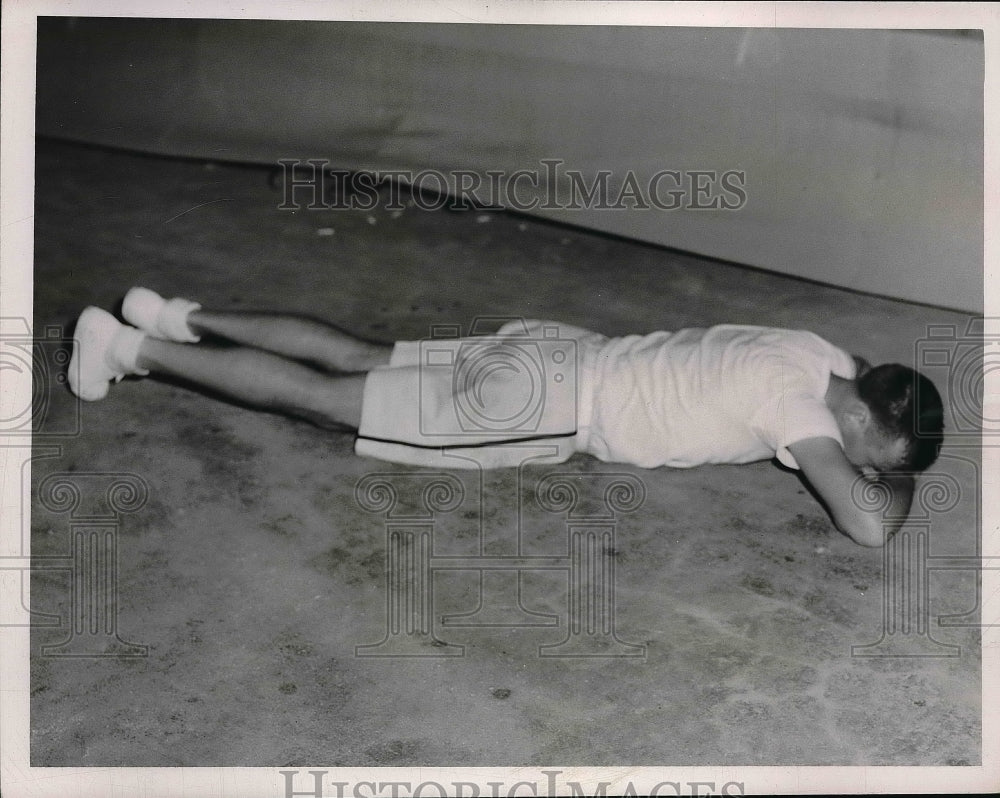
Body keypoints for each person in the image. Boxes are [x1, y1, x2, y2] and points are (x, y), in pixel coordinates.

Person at [68, 287, 944, 548]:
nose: (872, 465)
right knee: (330, 403)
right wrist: (890, 489)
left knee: (364, 352)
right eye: (880, 453)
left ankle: (174, 316)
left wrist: (879, 423)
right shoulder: (797, 409)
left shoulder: (816, 351)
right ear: (861, 429)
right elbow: (867, 526)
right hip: (548, 408)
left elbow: (862, 379)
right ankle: (128, 350)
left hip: (566, 349)